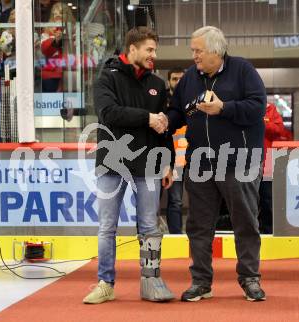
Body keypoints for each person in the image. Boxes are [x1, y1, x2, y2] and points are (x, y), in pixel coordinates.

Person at [167, 26, 267, 302]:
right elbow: (179, 111)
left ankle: (250, 279)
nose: (194, 56)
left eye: (198, 51)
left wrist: (224, 108)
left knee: (245, 222)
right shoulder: (189, 78)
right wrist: (165, 120)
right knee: (198, 226)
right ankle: (201, 282)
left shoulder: (243, 71)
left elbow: (258, 108)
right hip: (199, 163)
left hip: (239, 162)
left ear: (215, 50)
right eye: (193, 51)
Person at [83, 27, 175, 304]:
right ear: (132, 49)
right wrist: (147, 118)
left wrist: (167, 162)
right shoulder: (105, 79)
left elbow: (164, 130)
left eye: (155, 50)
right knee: (107, 227)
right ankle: (105, 283)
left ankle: (151, 280)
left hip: (148, 164)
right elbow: (108, 114)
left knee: (149, 226)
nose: (153, 55)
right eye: (149, 49)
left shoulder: (158, 84)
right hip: (112, 163)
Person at [164, 68, 186, 234]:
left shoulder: (193, 100)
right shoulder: (163, 103)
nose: (177, 82)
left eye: (181, 79)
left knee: (205, 200)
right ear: (169, 82)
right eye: (174, 79)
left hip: (194, 158)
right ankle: (176, 235)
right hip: (174, 159)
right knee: (175, 201)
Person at [259, 102, 285, 234]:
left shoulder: (269, 108)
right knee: (245, 202)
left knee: (267, 200)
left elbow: (279, 130)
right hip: (243, 162)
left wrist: (261, 121)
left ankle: (268, 232)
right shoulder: (239, 107)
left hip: (266, 164)